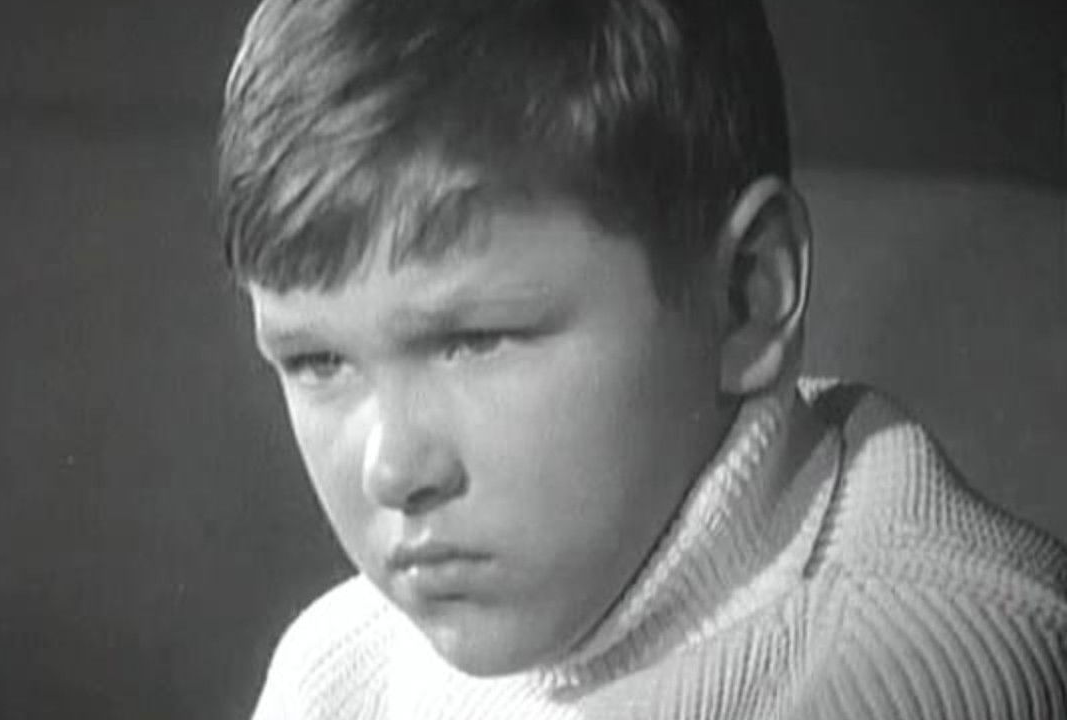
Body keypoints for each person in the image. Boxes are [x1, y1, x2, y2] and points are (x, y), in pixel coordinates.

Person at [216, 0, 1067, 716]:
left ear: (748, 297)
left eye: (474, 340)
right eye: (316, 361)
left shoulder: (945, 669)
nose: (393, 471)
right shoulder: (337, 673)